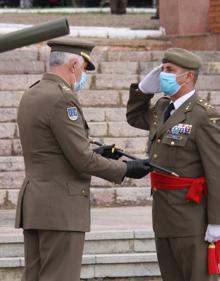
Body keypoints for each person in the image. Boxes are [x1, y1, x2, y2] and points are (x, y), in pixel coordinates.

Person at [15, 37, 152, 281]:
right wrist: (126, 169)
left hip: (36, 204)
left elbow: (53, 150)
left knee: (35, 276)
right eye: (83, 68)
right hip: (61, 209)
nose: (82, 76)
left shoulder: (32, 93)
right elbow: (82, 160)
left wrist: (96, 154)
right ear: (73, 65)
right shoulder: (63, 98)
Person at [126, 48, 220, 281]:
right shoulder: (161, 108)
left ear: (188, 76)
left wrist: (216, 221)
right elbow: (134, 117)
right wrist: (142, 91)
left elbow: (216, 171)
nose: (163, 75)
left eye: (169, 71)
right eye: (162, 70)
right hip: (164, 216)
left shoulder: (203, 115)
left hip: (191, 218)